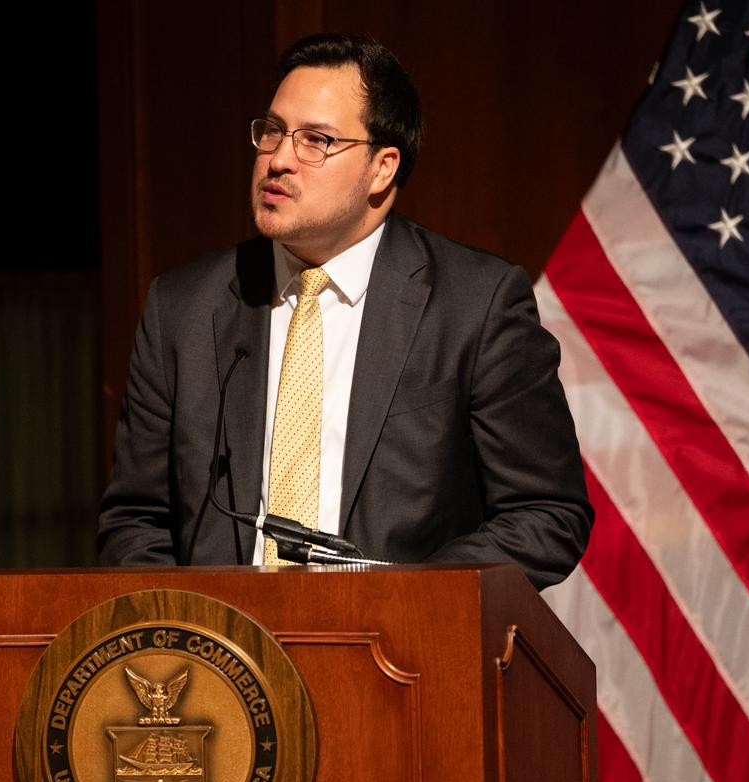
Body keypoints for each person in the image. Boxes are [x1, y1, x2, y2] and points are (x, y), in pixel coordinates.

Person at [97, 33, 591, 590]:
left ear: (382, 169)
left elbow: (546, 515)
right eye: (273, 131)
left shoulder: (475, 304)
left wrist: (398, 607)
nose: (279, 159)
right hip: (226, 660)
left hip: (402, 659)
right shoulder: (183, 309)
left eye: (316, 140)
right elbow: (135, 524)